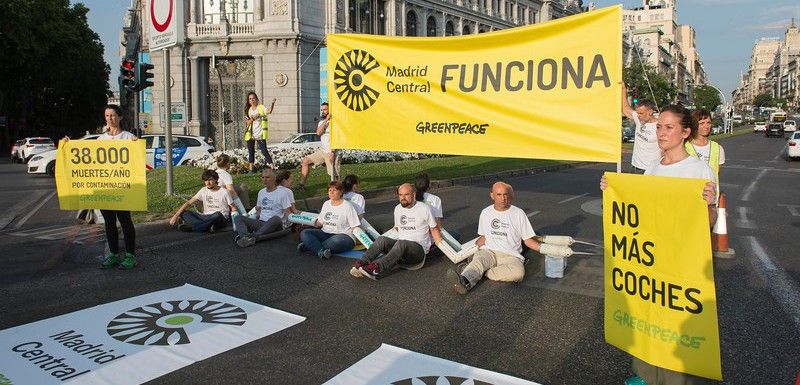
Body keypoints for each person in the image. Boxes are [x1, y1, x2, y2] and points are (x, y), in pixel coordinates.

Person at [601, 104, 718, 385]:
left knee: (675, 328)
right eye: (659, 127)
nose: (661, 133)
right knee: (647, 322)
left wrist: (708, 204)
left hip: (678, 268)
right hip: (648, 265)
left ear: (685, 132)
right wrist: (613, 190)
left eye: (668, 128)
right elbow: (640, 211)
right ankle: (645, 376)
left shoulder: (698, 171)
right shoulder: (652, 168)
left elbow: (710, 221)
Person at [445, 182, 543, 294]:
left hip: (511, 256)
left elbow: (528, 241)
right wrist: (468, 251)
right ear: (492, 195)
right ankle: (464, 281)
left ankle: (483, 272)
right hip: (489, 251)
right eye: (499, 194)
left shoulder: (519, 214)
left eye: (505, 194)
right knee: (479, 260)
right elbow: (483, 237)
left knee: (519, 274)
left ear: (509, 195)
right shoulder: (486, 213)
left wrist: (547, 250)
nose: (503, 198)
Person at [351, 183, 443, 280]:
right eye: (400, 195)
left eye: (406, 195)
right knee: (382, 240)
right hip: (400, 249)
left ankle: (376, 268)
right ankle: (361, 263)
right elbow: (397, 228)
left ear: (414, 195)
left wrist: (440, 243)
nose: (403, 198)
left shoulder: (424, 209)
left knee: (402, 243)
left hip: (417, 252)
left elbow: (434, 228)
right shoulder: (398, 209)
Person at [88, 105, 139, 270]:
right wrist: (66, 144)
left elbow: (137, 160)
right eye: (107, 116)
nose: (109, 119)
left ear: (120, 117)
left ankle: (130, 255)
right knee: (109, 222)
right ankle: (114, 255)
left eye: (112, 115)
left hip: (123, 188)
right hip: (105, 188)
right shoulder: (101, 140)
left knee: (125, 221)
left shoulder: (128, 137)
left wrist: (137, 146)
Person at [234, 169, 296, 247]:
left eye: (267, 177)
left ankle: (251, 237)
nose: (264, 180)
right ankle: (246, 237)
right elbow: (259, 210)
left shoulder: (282, 193)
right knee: (238, 218)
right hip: (262, 223)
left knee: (276, 219)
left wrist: (293, 222)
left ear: (274, 178)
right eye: (263, 177)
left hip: (276, 224)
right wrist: (251, 218)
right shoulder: (261, 192)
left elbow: (287, 212)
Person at [298, 181, 361, 259]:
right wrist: (305, 221)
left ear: (341, 192)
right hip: (325, 233)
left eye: (334, 190)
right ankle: (321, 251)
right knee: (305, 233)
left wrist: (364, 239)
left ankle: (311, 246)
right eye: (329, 190)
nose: (331, 192)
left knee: (336, 241)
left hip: (343, 236)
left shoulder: (348, 206)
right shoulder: (326, 204)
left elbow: (355, 226)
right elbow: (320, 223)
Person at [169, 170, 237, 232]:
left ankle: (193, 228)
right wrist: (175, 216)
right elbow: (188, 203)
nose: (207, 183)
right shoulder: (203, 190)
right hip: (205, 217)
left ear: (216, 179)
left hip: (220, 218)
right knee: (184, 213)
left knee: (217, 214)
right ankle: (208, 226)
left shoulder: (224, 192)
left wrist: (236, 225)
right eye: (205, 180)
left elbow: (233, 208)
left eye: (210, 180)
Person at [298, 103, 340, 190]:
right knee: (306, 161)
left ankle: (340, 191)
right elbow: (318, 133)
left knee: (334, 174)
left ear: (330, 110)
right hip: (323, 151)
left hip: (333, 152)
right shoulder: (322, 122)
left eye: (325, 109)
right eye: (322, 110)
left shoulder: (336, 122)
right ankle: (301, 185)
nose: (323, 112)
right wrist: (326, 120)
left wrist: (333, 152)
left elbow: (338, 138)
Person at [622, 83, 660, 174]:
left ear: (650, 112)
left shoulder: (660, 126)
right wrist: (623, 90)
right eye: (638, 113)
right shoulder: (639, 119)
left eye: (641, 113)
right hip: (634, 167)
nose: (638, 116)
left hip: (651, 170)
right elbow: (626, 109)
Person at [686, 108, 725, 183]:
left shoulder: (718, 148)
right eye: (702, 123)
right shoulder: (684, 147)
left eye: (708, 123)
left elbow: (716, 174)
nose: (706, 126)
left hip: (711, 193)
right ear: (694, 124)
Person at [244, 92, 276, 171]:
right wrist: (253, 118)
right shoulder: (248, 110)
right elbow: (247, 123)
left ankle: (272, 167)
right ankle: (251, 170)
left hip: (260, 134)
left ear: (256, 99)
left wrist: (272, 103)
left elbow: (269, 111)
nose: (252, 100)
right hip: (251, 134)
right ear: (248, 101)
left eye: (253, 98)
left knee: (264, 151)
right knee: (251, 152)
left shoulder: (261, 107)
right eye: (250, 99)